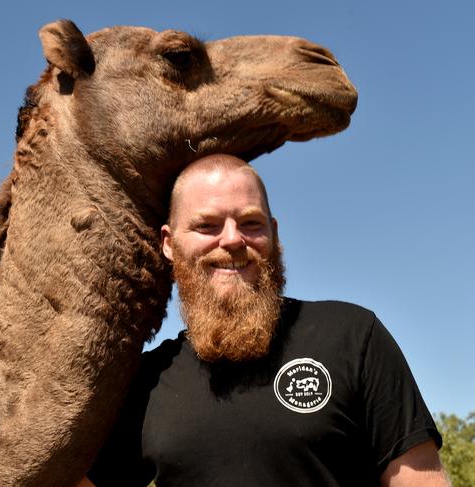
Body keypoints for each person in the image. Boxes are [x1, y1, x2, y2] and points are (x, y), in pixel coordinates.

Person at [78, 154, 449, 486]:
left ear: (274, 232)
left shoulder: (352, 337)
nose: (233, 240)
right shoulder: (147, 382)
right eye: (207, 226)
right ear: (169, 243)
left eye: (250, 223)